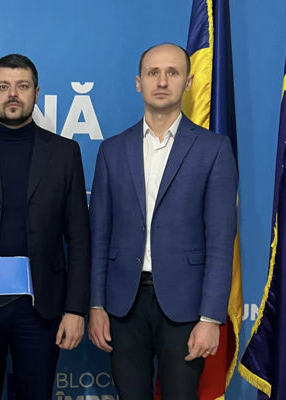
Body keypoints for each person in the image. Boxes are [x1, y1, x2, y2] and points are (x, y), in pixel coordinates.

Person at [88, 43, 238, 399]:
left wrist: (211, 318)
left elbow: (220, 241)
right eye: (153, 72)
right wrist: (95, 305)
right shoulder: (112, 150)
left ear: (188, 82)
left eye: (173, 72)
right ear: (138, 82)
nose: (162, 81)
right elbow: (99, 236)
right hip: (123, 306)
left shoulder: (214, 149)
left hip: (186, 308)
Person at [0, 54, 91, 400]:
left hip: (41, 308)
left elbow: (80, 237)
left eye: (22, 86)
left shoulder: (65, 153)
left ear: (36, 93)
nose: (13, 94)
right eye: (3, 87)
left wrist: (75, 309)